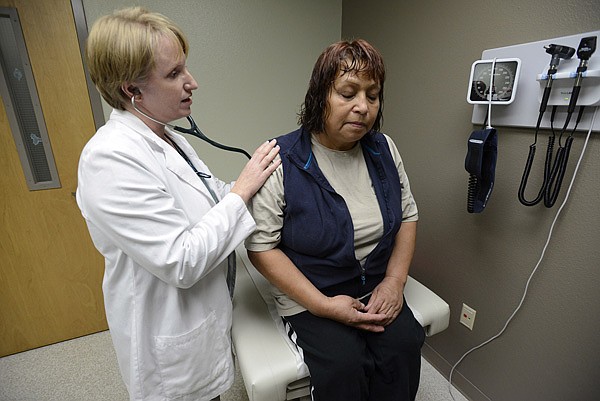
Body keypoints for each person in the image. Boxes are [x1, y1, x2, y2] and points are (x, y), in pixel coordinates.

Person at [76, 7, 280, 401]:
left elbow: (211, 195)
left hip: (202, 320)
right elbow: (180, 261)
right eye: (174, 74)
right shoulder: (109, 158)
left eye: (185, 69)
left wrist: (258, 181)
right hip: (166, 345)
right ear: (131, 91)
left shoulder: (169, 138)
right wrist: (243, 191)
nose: (193, 83)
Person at [245, 39, 424, 401]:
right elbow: (261, 247)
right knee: (344, 366)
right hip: (313, 290)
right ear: (319, 96)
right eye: (348, 93)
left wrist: (393, 281)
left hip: (373, 283)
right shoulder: (282, 159)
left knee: (404, 344)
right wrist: (322, 305)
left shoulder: (383, 148)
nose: (363, 107)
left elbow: (407, 214)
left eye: (372, 96)